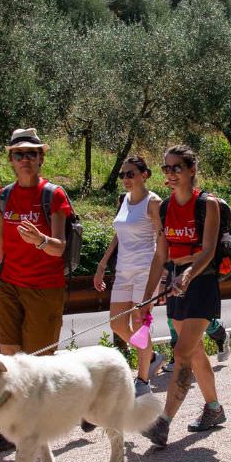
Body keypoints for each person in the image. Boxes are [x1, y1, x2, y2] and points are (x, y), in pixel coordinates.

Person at [0, 128, 75, 453]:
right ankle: (11, 429)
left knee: (38, 363)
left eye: (32, 153)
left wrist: (41, 240)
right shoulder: (4, 196)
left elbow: (60, 249)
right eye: (19, 154)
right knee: (9, 361)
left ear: (41, 157)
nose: (26, 159)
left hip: (45, 289)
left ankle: (60, 414)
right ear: (11, 160)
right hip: (10, 287)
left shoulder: (53, 195)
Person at [141, 145, 226, 446]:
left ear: (191, 170)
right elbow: (160, 254)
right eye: (166, 168)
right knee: (194, 351)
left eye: (177, 167)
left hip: (201, 282)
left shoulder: (208, 204)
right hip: (175, 283)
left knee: (181, 352)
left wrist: (189, 275)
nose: (171, 173)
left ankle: (163, 423)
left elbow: (208, 250)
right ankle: (214, 409)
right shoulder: (163, 208)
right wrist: (149, 295)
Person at [93, 156, 164, 395]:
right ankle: (151, 356)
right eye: (123, 174)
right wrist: (102, 264)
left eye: (130, 173)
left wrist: (162, 275)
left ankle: (142, 381)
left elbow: (162, 241)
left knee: (138, 323)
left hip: (146, 270)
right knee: (117, 323)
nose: (125, 178)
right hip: (123, 270)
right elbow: (118, 234)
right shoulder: (124, 200)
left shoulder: (153, 203)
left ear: (144, 175)